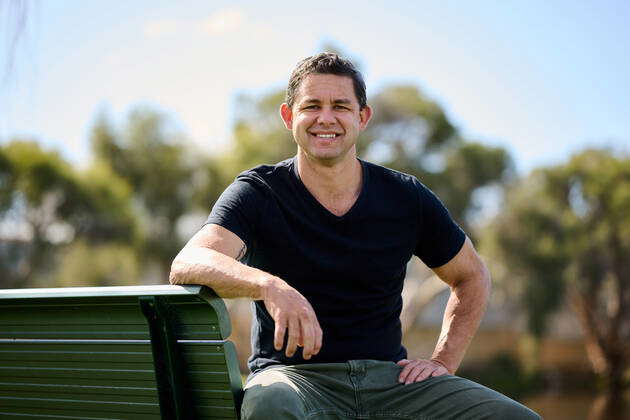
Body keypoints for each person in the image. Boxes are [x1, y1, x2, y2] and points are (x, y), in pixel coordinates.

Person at [170, 53, 540, 420]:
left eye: (341, 106)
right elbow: (189, 262)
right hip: (294, 382)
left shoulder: (405, 196)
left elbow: (471, 275)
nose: (325, 118)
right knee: (268, 404)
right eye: (312, 106)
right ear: (289, 117)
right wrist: (270, 287)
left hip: (392, 382)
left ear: (363, 117)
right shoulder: (258, 192)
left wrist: (443, 360)